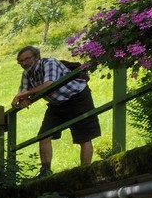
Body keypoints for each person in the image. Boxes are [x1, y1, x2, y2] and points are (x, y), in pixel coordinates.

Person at [10, 45, 98, 176]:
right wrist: (24, 98)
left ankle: (85, 171)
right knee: (44, 135)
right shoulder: (27, 74)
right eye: (21, 61)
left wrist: (23, 95)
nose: (24, 63)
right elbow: (23, 92)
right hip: (56, 103)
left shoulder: (49, 63)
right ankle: (45, 171)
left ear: (37, 57)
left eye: (27, 59)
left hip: (77, 97)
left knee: (84, 136)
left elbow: (49, 84)